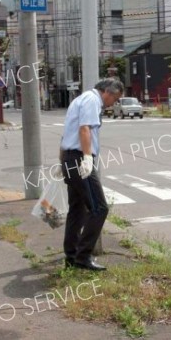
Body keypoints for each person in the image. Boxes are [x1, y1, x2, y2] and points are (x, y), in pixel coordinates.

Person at [60, 78, 123, 271]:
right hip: (79, 160)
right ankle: (83, 256)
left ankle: (71, 255)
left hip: (69, 157)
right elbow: (84, 129)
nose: (114, 103)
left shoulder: (81, 99)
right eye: (116, 98)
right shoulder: (92, 101)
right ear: (107, 92)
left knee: (77, 209)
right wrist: (87, 158)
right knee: (99, 208)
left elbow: (66, 133)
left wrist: (61, 160)